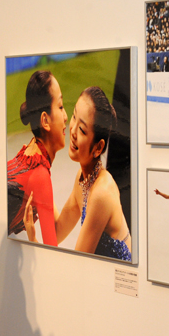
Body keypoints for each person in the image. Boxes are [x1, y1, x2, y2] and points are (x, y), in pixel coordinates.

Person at [25, 87, 131, 261]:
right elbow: (58, 232)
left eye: (82, 130)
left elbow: (78, 264)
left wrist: (33, 239)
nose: (72, 130)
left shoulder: (101, 193)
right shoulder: (83, 179)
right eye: (74, 116)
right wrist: (42, 175)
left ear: (98, 147)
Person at [7, 70, 67, 246]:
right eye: (61, 106)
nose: (66, 117)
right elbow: (51, 250)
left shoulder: (28, 150)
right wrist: (32, 239)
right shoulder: (40, 175)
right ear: (45, 121)